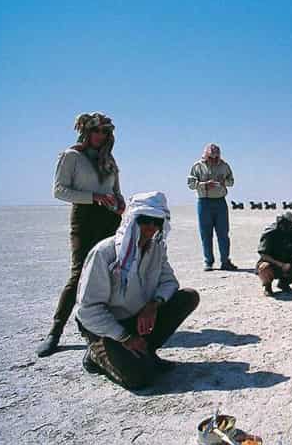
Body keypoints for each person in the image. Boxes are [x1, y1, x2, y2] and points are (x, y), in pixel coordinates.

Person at [76, 191, 200, 389]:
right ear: (132, 220)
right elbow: (87, 310)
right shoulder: (105, 253)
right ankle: (97, 353)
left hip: (138, 316)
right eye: (145, 220)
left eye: (156, 221)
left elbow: (169, 283)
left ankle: (146, 351)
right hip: (107, 327)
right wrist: (124, 337)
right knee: (140, 379)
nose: (151, 228)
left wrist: (153, 305)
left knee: (188, 297)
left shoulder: (156, 248)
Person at [36, 112, 125, 358]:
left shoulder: (108, 159)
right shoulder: (71, 156)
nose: (100, 136)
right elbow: (59, 190)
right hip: (85, 218)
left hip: (110, 218)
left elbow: (116, 190)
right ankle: (55, 331)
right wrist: (93, 197)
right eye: (96, 131)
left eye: (105, 132)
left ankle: (103, 328)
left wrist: (120, 203)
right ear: (86, 132)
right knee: (79, 274)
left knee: (110, 271)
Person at [188, 143, 237, 271]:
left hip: (220, 202)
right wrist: (203, 184)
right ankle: (208, 261)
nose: (214, 160)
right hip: (204, 203)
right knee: (206, 233)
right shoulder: (197, 166)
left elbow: (231, 181)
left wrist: (223, 182)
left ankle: (225, 261)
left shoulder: (224, 166)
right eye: (211, 157)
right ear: (206, 156)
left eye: (217, 157)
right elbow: (191, 184)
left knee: (223, 234)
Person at [257, 211, 292, 296]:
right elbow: (263, 254)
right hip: (272, 264)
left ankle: (283, 283)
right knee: (264, 267)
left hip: (288, 264)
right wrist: (281, 264)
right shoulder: (270, 233)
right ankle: (267, 287)